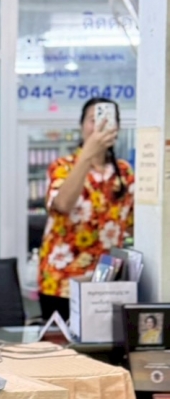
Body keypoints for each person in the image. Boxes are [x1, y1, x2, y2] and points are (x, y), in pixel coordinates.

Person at [38, 97, 134, 322]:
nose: (99, 125)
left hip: (106, 282)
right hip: (61, 281)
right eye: (93, 119)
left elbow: (134, 223)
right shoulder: (62, 167)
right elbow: (62, 205)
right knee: (60, 341)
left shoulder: (124, 172)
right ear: (81, 125)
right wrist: (87, 155)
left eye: (108, 119)